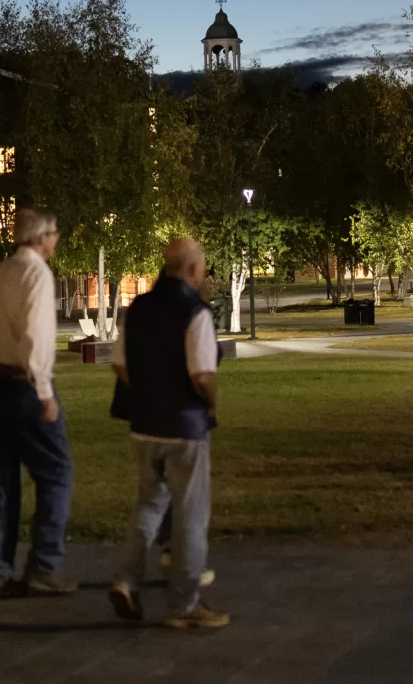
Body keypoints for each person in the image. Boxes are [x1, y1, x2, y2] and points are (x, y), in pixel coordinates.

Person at [108, 237, 230, 631]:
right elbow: (202, 374)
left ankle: (126, 581)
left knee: (148, 505)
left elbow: (120, 366)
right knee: (190, 515)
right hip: (185, 428)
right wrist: (210, 403)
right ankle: (184, 603)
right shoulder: (194, 312)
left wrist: (148, 394)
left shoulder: (137, 309)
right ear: (192, 269)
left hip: (145, 426)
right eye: (203, 268)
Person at [0, 206, 76, 600]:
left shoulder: (2, 272)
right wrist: (45, 394)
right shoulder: (37, 275)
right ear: (41, 237)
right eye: (55, 232)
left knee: (2, 475)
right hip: (20, 383)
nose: (57, 239)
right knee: (57, 470)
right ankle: (45, 566)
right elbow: (35, 340)